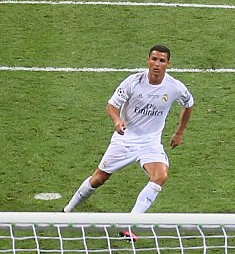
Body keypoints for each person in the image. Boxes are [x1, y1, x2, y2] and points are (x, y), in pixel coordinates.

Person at [63, 45, 194, 239]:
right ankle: (66, 212)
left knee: (160, 176)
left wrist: (179, 132)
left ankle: (129, 223)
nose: (157, 64)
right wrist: (117, 120)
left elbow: (189, 104)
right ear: (148, 60)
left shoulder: (174, 87)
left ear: (168, 64)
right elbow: (111, 105)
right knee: (98, 179)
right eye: (154, 59)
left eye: (162, 61)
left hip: (150, 143)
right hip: (125, 140)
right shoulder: (133, 82)